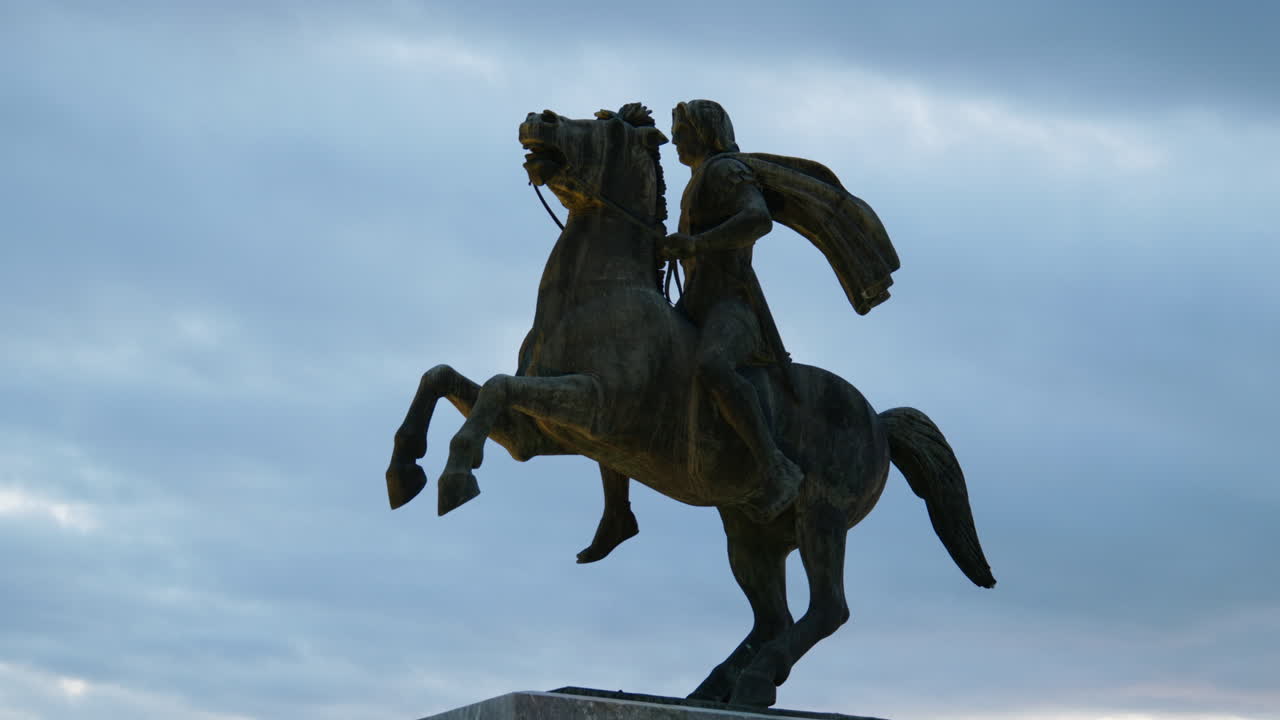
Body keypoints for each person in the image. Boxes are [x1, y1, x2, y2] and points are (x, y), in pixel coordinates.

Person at [577, 100, 803, 563]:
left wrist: (697, 242)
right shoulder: (697, 181)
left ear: (705, 130)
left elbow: (757, 219)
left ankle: (775, 467)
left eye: (683, 129)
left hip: (733, 307)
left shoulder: (725, 171)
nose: (677, 138)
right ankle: (618, 512)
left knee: (714, 365)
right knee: (622, 383)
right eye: (676, 130)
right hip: (697, 306)